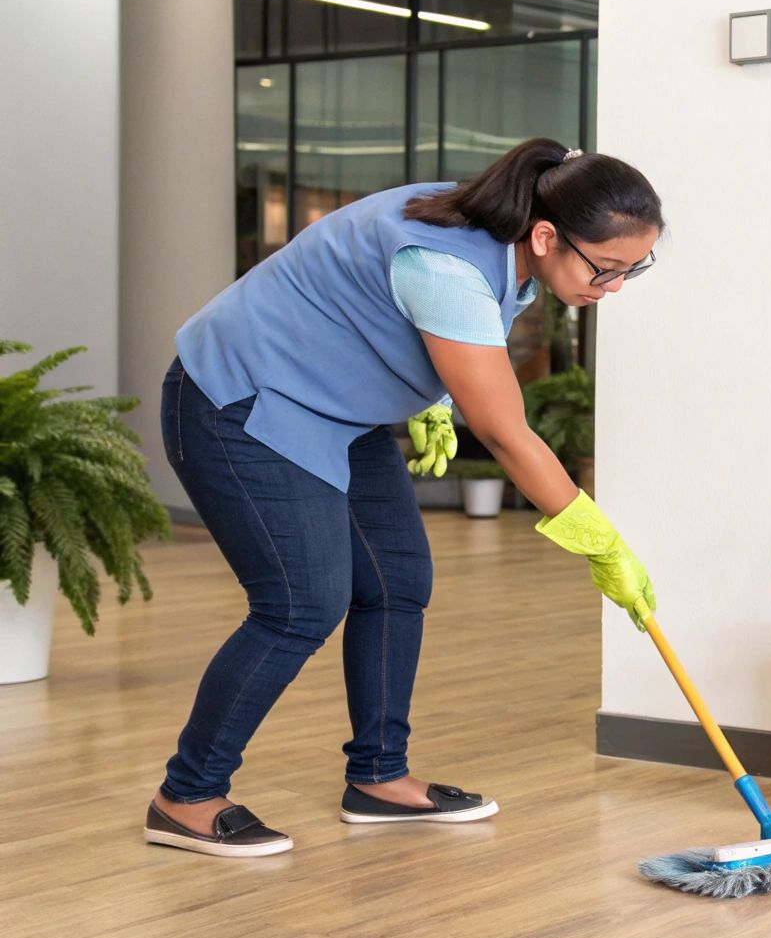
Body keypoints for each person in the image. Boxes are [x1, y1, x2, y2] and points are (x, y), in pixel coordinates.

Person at [142, 138, 661, 857]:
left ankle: (380, 778)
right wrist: (600, 541)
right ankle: (187, 795)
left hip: (335, 408)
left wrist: (430, 395)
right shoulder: (446, 264)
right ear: (546, 236)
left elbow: (377, 309)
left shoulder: (505, 230)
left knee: (396, 581)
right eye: (607, 269)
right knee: (300, 605)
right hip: (239, 400)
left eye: (636, 269)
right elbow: (506, 432)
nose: (616, 286)